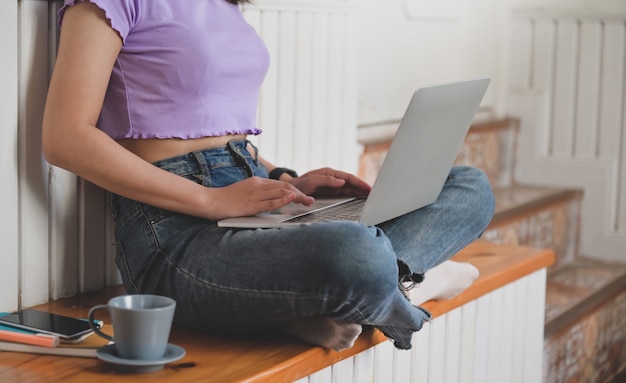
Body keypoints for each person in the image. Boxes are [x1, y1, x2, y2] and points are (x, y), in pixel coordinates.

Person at [42, 0, 495, 352]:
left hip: (253, 196)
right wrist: (210, 201)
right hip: (172, 235)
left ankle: (362, 292)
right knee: (357, 254)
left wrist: (285, 177)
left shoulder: (225, 6)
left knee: (468, 186)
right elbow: (64, 137)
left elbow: (223, 136)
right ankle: (414, 287)